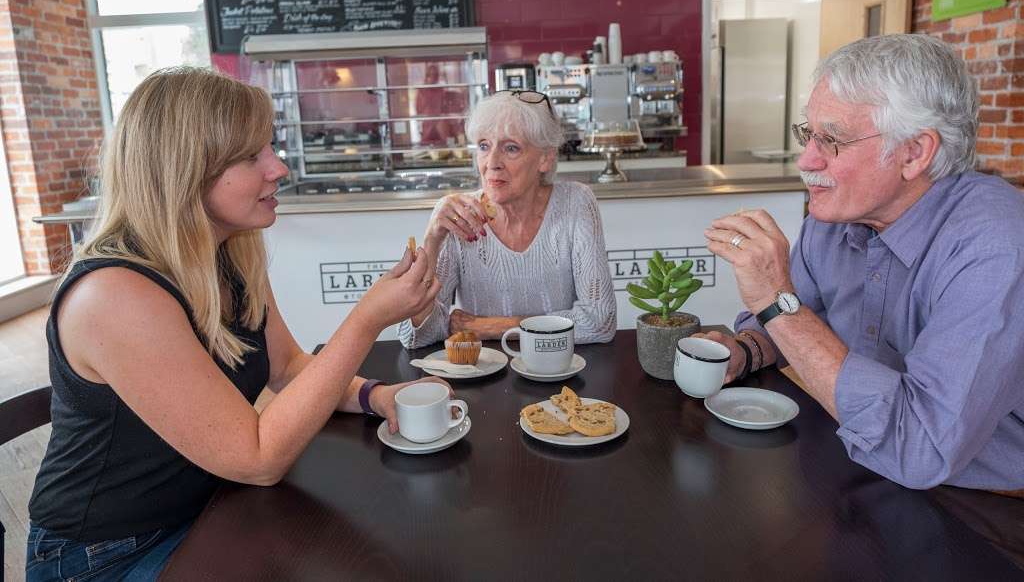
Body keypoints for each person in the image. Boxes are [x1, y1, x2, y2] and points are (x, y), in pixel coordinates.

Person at [25, 67, 445, 580]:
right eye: (253, 156)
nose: (279, 168)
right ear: (184, 170)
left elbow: (288, 366)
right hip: (109, 554)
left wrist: (374, 395)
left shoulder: (229, 250)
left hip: (214, 506)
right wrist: (366, 319)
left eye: (271, 147)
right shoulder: (114, 295)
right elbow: (258, 457)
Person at [700, 34, 1024, 491]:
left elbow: (921, 449)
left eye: (831, 140)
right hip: (857, 465)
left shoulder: (996, 246)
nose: (806, 160)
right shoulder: (836, 217)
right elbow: (799, 319)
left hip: (987, 511)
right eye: (808, 134)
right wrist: (747, 348)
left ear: (914, 152)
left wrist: (777, 300)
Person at [397, 90, 616, 347]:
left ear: (545, 158)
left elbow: (600, 322)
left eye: (511, 148)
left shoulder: (575, 202)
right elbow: (415, 336)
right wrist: (433, 238)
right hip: (480, 379)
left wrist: (487, 327)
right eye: (483, 146)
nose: (492, 163)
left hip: (558, 373)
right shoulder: (460, 216)